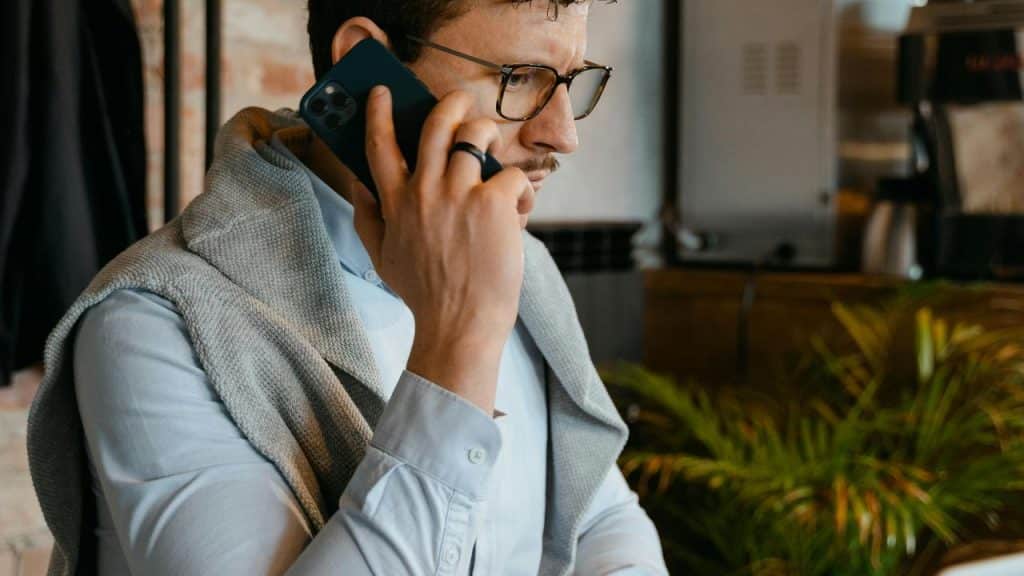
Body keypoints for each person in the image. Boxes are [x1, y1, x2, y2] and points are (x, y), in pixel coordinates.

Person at [26, 1, 669, 574]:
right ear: (369, 61)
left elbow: (597, 514)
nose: (564, 134)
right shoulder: (154, 325)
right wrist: (459, 345)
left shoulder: (519, 259)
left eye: (571, 83)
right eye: (520, 78)